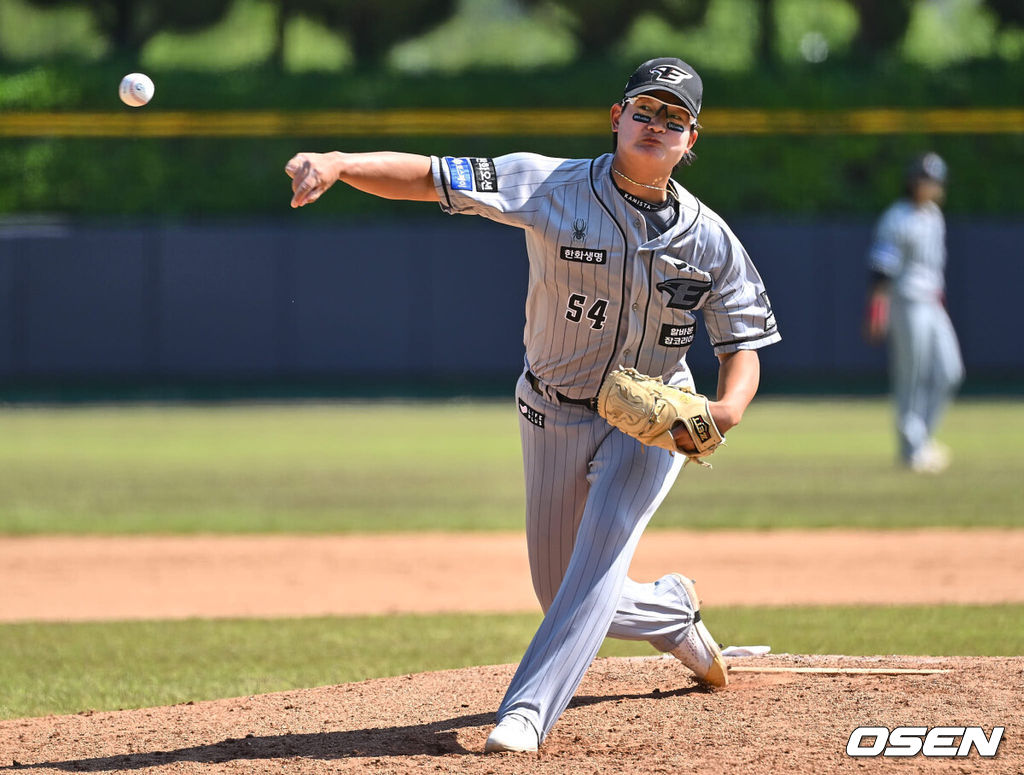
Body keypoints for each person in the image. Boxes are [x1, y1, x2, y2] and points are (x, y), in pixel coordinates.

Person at [285, 56, 781, 753]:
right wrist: (339, 160)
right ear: (617, 117)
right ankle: (673, 610)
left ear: (691, 139)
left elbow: (744, 343)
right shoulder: (550, 184)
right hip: (553, 409)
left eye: (674, 119)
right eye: (645, 109)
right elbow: (432, 177)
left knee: (600, 549)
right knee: (564, 589)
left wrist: (724, 411)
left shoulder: (710, 239)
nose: (656, 126)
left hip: (653, 422)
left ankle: (526, 711)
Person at [864, 152, 964, 473]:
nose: (929, 186)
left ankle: (923, 438)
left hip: (932, 303)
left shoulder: (934, 215)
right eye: (925, 179)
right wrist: (877, 311)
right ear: (913, 181)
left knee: (950, 371)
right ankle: (911, 448)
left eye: (934, 180)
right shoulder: (898, 217)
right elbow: (881, 270)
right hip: (905, 302)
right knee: (912, 377)